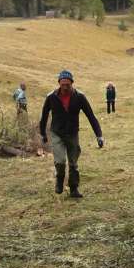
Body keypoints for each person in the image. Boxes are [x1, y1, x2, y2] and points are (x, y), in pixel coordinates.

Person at [40, 70, 104, 198]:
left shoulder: (80, 97)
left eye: (67, 85)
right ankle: (59, 179)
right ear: (59, 83)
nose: (65, 87)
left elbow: (91, 116)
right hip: (57, 133)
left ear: (72, 84)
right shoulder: (51, 97)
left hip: (72, 133)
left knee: (73, 163)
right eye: (62, 84)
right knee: (60, 161)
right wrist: (43, 134)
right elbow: (44, 116)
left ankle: (74, 189)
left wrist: (99, 135)